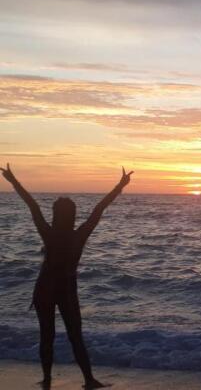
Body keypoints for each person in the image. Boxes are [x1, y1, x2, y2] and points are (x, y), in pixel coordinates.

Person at [1, 164, 133, 389]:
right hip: (65, 289)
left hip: (44, 288)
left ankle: (47, 378)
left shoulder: (48, 233)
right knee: (75, 335)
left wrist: (13, 181)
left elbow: (32, 205)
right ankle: (88, 379)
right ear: (72, 216)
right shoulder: (79, 236)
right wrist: (120, 185)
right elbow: (99, 209)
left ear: (54, 215)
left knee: (47, 335)